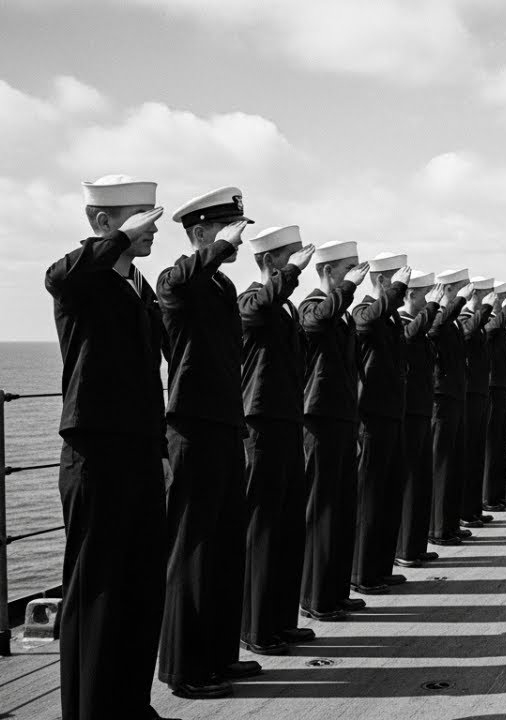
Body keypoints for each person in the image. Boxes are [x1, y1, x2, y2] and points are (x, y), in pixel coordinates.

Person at [46, 175, 169, 720]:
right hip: (96, 454)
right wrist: (118, 239)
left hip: (141, 451)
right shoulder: (80, 279)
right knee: (95, 592)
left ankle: (130, 705)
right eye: (142, 218)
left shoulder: (135, 287)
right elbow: (59, 274)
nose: (153, 228)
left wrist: (161, 449)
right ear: (101, 222)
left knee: (140, 588)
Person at [157, 186, 258, 698]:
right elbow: (178, 282)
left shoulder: (218, 288)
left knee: (222, 548)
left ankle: (219, 654)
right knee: (192, 548)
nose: (237, 241)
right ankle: (184, 667)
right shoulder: (177, 280)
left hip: (223, 425)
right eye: (226, 231)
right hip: (191, 429)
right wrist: (215, 249)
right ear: (198, 233)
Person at [238, 225, 316, 656]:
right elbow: (253, 310)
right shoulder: (252, 299)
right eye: (289, 256)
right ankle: (255, 627)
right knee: (263, 527)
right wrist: (288, 274)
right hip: (261, 424)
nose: (299, 262)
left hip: (288, 420)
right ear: (269, 262)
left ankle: (281, 620)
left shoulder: (282, 308)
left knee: (288, 526)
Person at [299, 241, 369, 620]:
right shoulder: (313, 305)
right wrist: (346, 290)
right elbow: (316, 321)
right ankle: (315, 597)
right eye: (348, 268)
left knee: (343, 509)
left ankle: (336, 591)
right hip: (319, 418)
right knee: (321, 508)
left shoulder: (340, 315)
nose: (356, 275)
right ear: (328, 271)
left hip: (343, 418)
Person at [350, 252, 412, 594]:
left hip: (393, 413)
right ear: (383, 282)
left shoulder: (389, 319)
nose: (403, 292)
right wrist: (394, 290)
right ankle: (361, 572)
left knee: (389, 494)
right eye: (397, 283)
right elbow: (367, 321)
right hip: (372, 415)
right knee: (370, 495)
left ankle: (380, 566)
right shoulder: (366, 310)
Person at [397, 270, 445, 568]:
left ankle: (415, 544)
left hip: (421, 407)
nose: (431, 300)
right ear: (412, 295)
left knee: (421, 480)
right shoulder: (404, 325)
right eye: (426, 293)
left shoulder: (418, 325)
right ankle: (404, 547)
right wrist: (434, 308)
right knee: (410, 480)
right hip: (408, 409)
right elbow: (410, 335)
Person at [428, 268, 470, 546]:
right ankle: (438, 528)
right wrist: (457, 302)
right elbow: (435, 327)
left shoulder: (451, 321)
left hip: (454, 395)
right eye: (463, 288)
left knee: (453, 463)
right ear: (449, 290)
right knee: (441, 464)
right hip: (440, 397)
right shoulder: (439, 318)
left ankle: (450, 524)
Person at [459, 276, 497, 529]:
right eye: (487, 294)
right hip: (468, 393)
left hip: (479, 392)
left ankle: (473, 509)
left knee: (475, 455)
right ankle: (464, 510)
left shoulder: (477, 319)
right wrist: (486, 309)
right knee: (467, 456)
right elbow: (469, 330)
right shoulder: (464, 319)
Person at [483, 280, 506, 512]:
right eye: (505, 295)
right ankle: (487, 496)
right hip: (491, 388)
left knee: (500, 445)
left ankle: (498, 494)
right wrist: (505, 310)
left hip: (502, 386)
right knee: (490, 443)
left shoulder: (500, 323)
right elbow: (490, 330)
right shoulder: (485, 321)